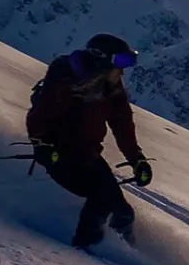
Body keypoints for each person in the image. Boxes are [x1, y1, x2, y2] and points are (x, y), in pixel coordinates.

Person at [25, 33, 154, 248]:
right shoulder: (65, 80)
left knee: (123, 213)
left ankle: (128, 254)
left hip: (89, 155)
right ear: (101, 60)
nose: (122, 70)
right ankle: (86, 249)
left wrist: (137, 160)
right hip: (60, 155)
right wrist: (41, 145)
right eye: (120, 63)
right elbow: (39, 116)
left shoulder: (112, 89)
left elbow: (123, 127)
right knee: (101, 198)